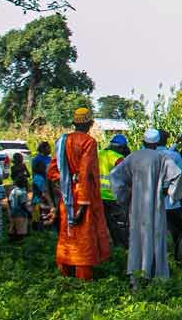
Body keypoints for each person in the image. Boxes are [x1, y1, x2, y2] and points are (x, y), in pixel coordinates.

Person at [109, 129, 182, 284]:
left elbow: (115, 175)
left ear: (143, 142)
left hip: (136, 206)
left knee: (137, 238)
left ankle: (136, 276)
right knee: (156, 236)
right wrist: (169, 193)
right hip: (156, 206)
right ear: (156, 144)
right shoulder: (162, 158)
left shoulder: (133, 157)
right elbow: (178, 176)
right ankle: (158, 277)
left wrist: (125, 195)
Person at [47, 108, 110, 281]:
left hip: (66, 195)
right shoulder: (89, 142)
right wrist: (82, 205)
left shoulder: (62, 141)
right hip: (83, 197)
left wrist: (66, 182)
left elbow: (52, 172)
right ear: (90, 124)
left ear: (74, 123)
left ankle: (65, 275)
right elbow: (86, 173)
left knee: (67, 234)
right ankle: (83, 280)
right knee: (83, 240)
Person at [156, 130, 182, 255]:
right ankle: (178, 257)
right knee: (177, 233)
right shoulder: (174, 156)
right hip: (172, 203)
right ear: (166, 140)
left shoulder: (146, 156)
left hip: (152, 204)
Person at [98, 134, 130, 248]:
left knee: (104, 223)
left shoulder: (99, 154)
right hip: (113, 196)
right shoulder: (118, 158)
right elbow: (126, 176)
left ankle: (106, 247)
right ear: (121, 147)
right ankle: (122, 247)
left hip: (99, 196)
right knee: (119, 224)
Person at [8, 174, 32, 242]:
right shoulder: (23, 192)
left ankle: (11, 240)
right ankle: (19, 242)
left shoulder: (13, 191)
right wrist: (29, 212)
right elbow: (23, 204)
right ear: (24, 184)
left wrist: (11, 209)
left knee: (13, 227)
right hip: (21, 213)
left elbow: (9, 201)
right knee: (21, 230)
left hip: (13, 211)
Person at [31, 158, 54, 229]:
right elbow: (44, 192)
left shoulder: (37, 177)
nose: (46, 169)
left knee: (37, 218)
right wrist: (51, 204)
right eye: (44, 167)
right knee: (40, 218)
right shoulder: (39, 179)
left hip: (36, 201)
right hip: (38, 201)